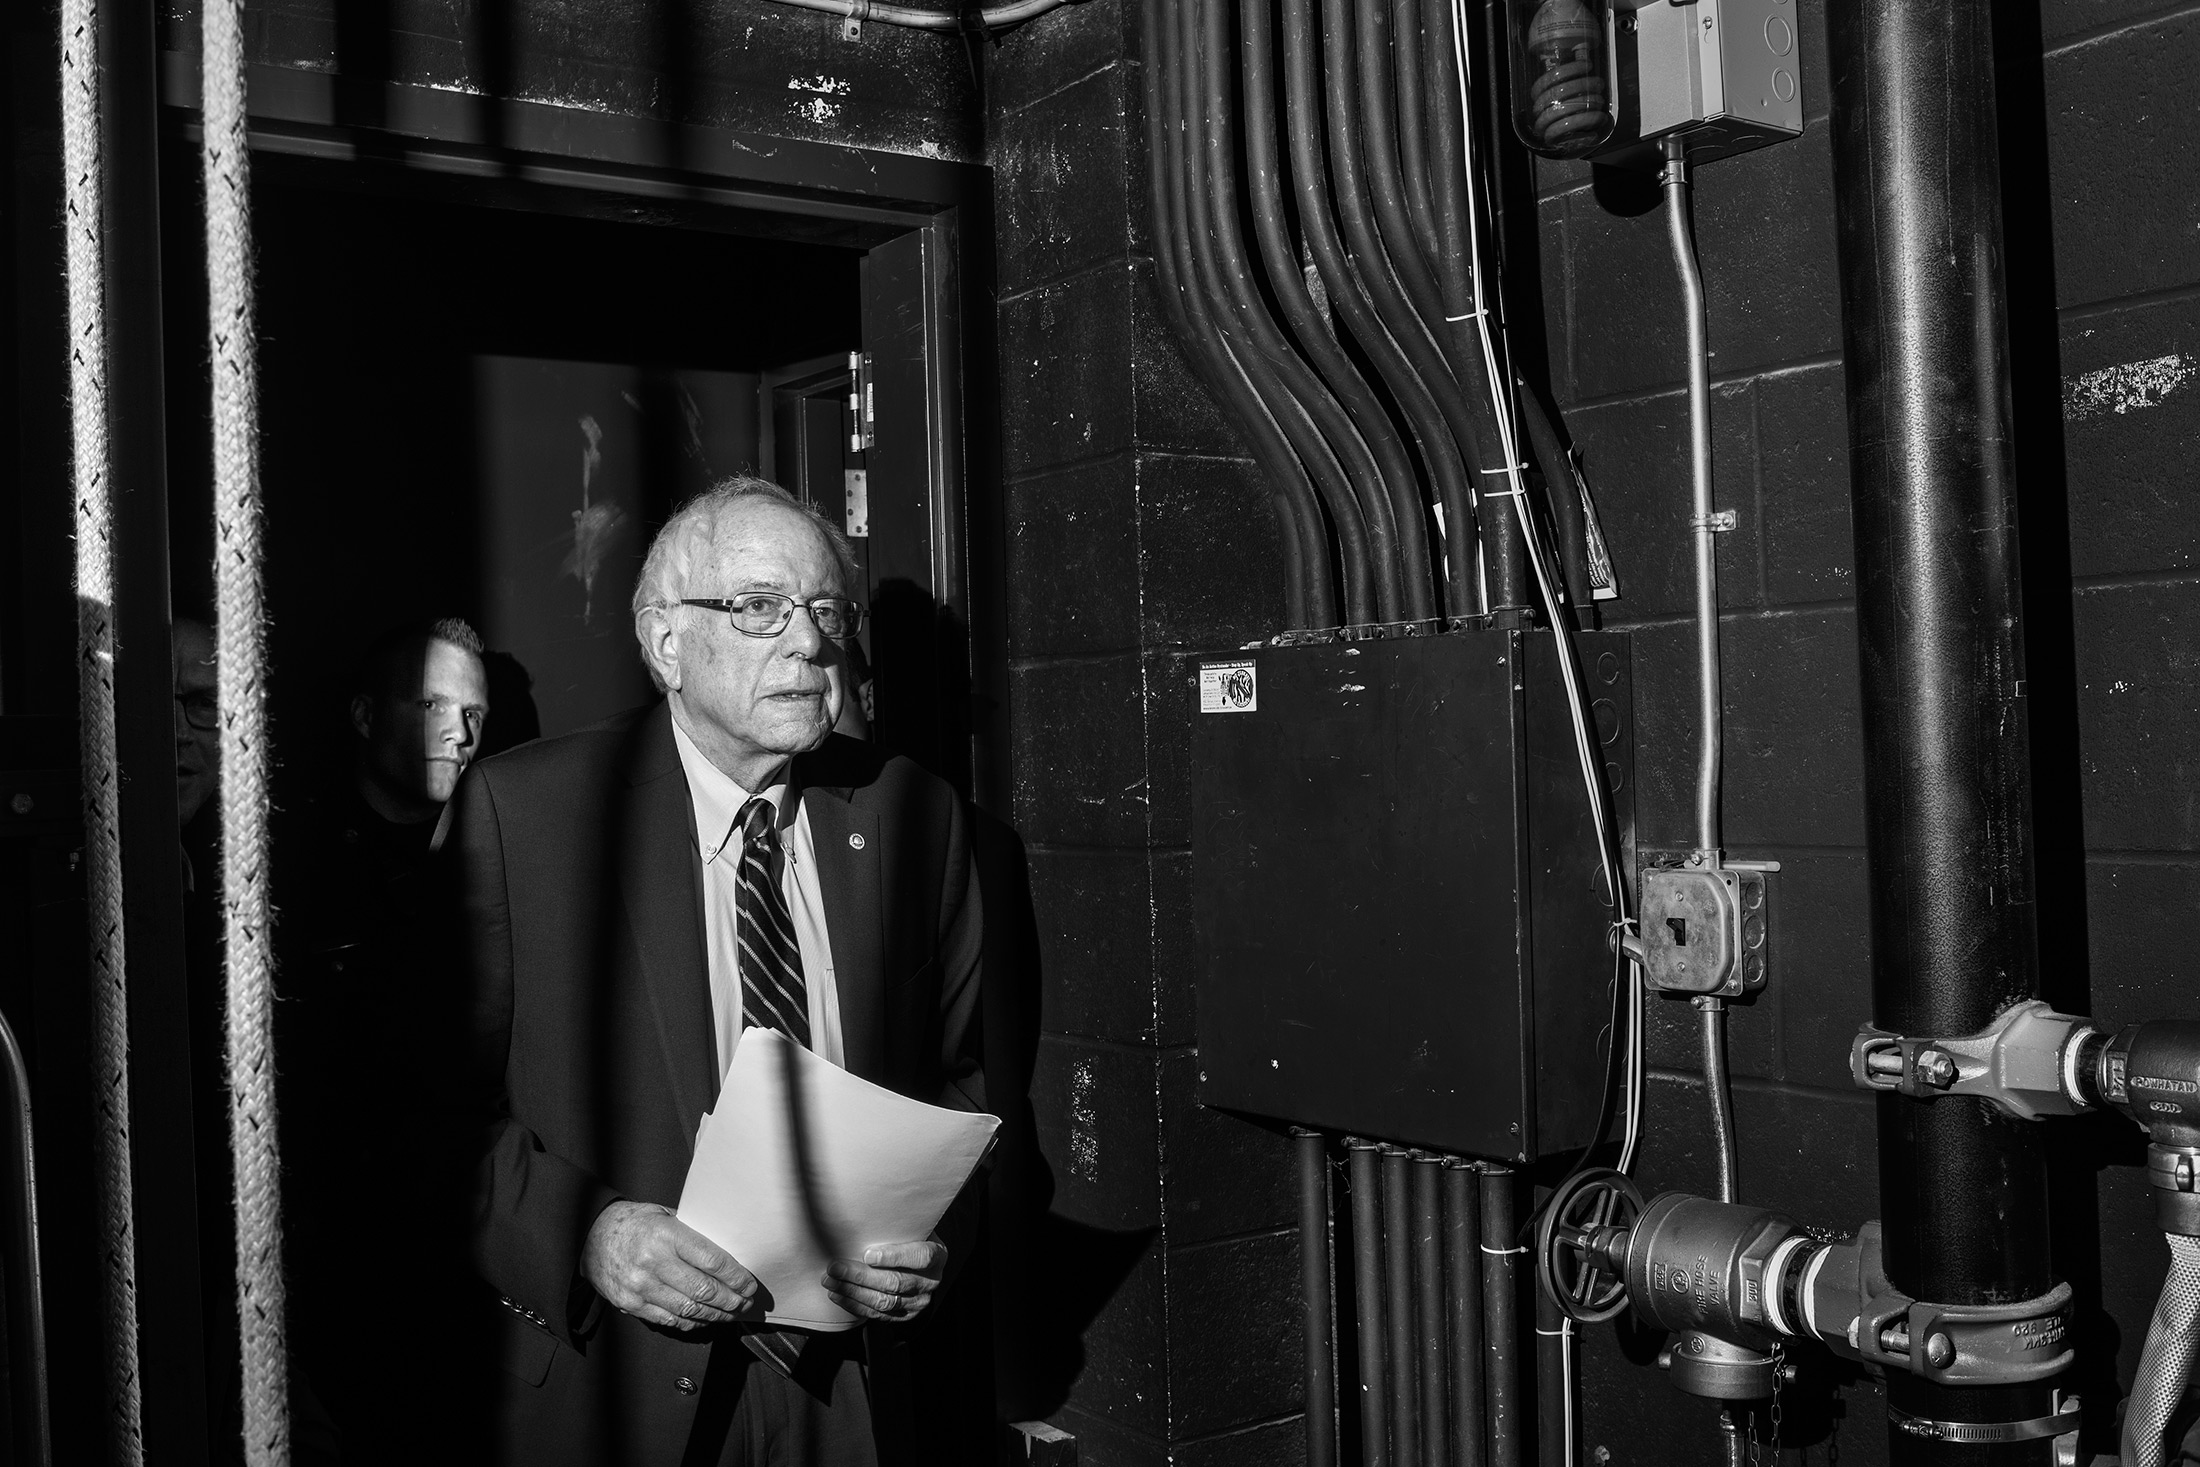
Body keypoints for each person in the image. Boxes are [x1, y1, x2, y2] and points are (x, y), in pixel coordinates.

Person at [444, 477, 986, 1466]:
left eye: (826, 609)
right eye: (757, 608)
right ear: (664, 643)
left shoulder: (916, 815)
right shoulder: (526, 818)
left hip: (852, 1387)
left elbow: (964, 1074)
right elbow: (423, 1116)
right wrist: (588, 1234)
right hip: (618, 1383)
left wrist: (933, 1241)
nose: (808, 642)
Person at [277, 617, 491, 1461]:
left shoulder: (496, 855)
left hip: (461, 1256)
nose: (459, 731)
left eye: (476, 711)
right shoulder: (293, 863)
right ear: (366, 715)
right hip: (336, 1261)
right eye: (432, 702)